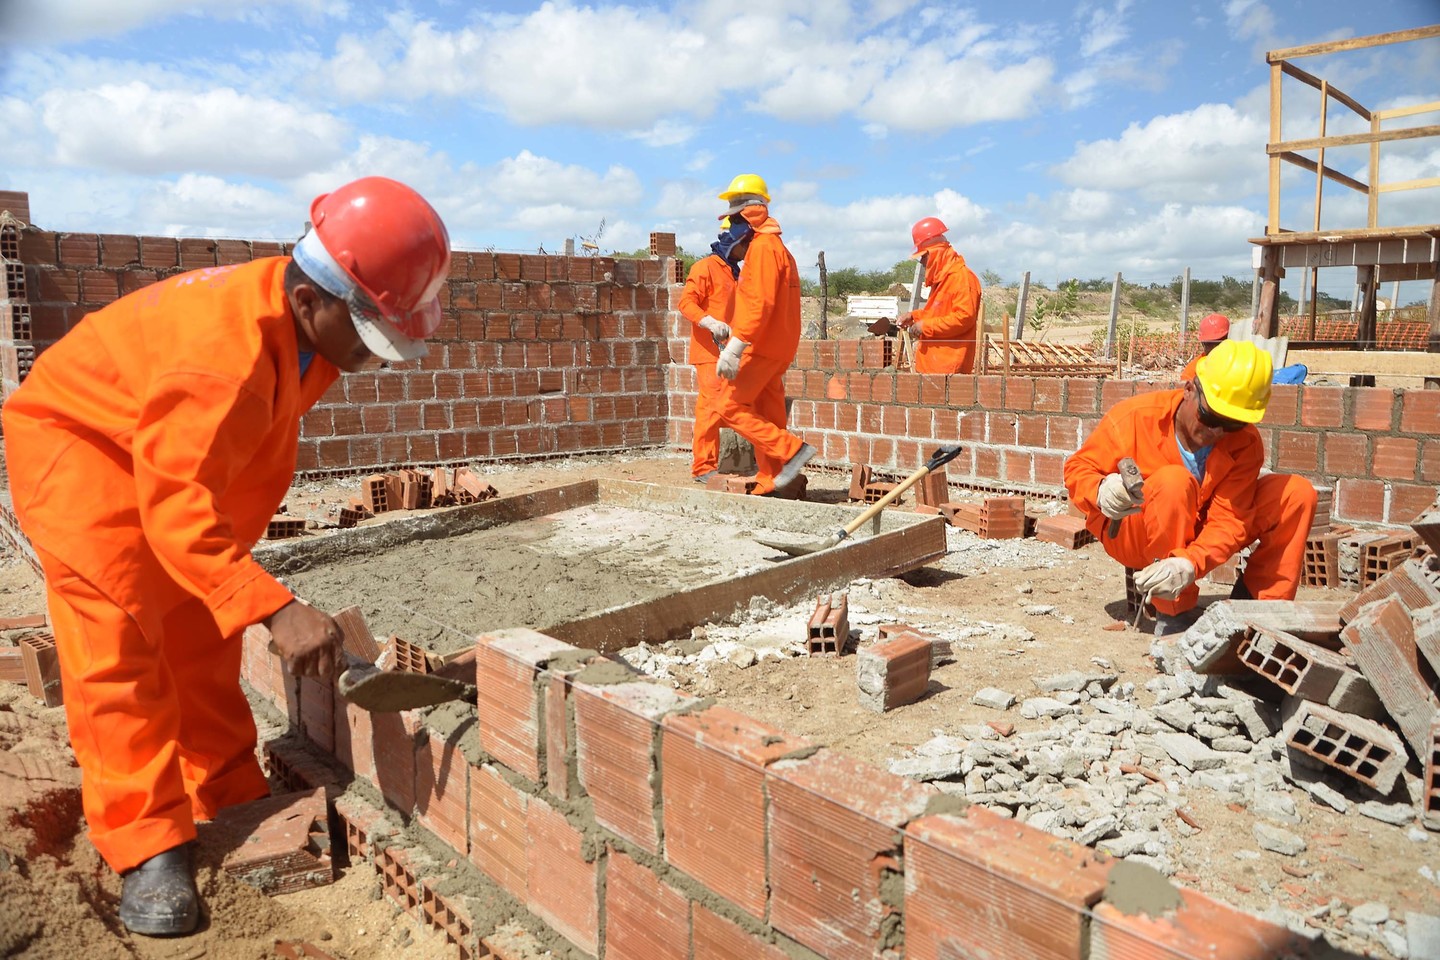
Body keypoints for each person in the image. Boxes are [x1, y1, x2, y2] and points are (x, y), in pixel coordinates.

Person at [1, 176, 451, 936]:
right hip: (82, 455)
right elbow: (173, 505)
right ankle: (147, 845)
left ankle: (227, 789)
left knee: (199, 635)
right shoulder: (219, 356)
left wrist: (236, 595)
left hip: (163, 462)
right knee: (119, 653)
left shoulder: (297, 328)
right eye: (370, 344)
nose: (372, 366)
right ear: (313, 301)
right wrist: (275, 607)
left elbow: (190, 487)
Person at [1063, 340, 1317, 636]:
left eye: (1232, 425)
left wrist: (1189, 563)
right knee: (1174, 481)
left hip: (1196, 529)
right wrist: (1100, 489)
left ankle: (1261, 609)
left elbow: (1229, 519)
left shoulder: (1245, 442)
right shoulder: (1135, 418)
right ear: (1189, 390)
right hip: (1134, 530)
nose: (1217, 432)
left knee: (1296, 494)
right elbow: (1077, 468)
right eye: (1211, 417)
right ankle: (1174, 614)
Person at [711, 174, 815, 495]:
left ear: (746, 211)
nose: (730, 217)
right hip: (776, 345)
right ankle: (776, 481)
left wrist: (735, 348)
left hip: (760, 344)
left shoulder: (763, 248)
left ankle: (791, 451)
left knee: (727, 407)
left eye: (732, 211)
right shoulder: (776, 248)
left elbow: (759, 305)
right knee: (767, 413)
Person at [677, 217, 751, 482]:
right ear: (733, 242)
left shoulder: (737, 273)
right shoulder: (705, 268)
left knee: (732, 406)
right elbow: (686, 303)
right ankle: (703, 467)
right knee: (710, 408)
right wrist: (708, 321)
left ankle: (736, 461)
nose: (748, 251)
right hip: (709, 352)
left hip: (731, 351)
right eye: (745, 245)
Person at [896, 216, 982, 374]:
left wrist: (925, 326)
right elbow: (937, 314)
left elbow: (964, 318)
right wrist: (914, 317)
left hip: (949, 372)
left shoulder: (962, 278)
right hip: (933, 369)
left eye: (923, 256)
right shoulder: (944, 279)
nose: (922, 262)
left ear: (934, 253)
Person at [1180, 312, 1230, 379]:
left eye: (1219, 342)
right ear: (1203, 343)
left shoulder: (1240, 363)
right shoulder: (1193, 370)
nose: (1215, 348)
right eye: (1210, 343)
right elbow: (1183, 387)